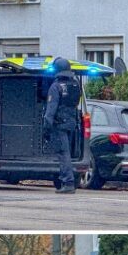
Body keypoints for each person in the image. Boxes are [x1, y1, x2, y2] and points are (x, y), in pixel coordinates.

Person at [43, 57, 83, 194]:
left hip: (59, 125)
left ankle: (68, 182)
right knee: (67, 153)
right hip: (71, 124)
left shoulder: (56, 86)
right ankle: (67, 180)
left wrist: (46, 129)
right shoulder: (75, 84)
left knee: (63, 154)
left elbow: (51, 110)